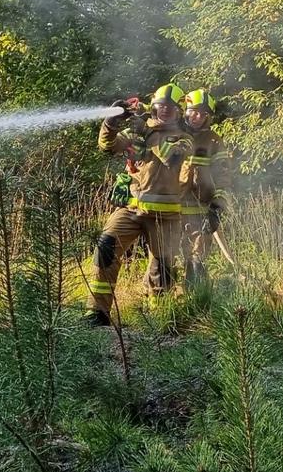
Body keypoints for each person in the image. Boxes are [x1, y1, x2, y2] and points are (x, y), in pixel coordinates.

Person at [84, 83, 192, 326]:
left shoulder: (184, 139)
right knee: (106, 248)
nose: (165, 111)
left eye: (171, 108)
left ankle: (159, 317)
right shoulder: (137, 133)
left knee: (161, 269)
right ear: (153, 108)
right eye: (160, 107)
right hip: (131, 209)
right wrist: (110, 124)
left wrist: (147, 130)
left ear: (178, 112)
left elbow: (172, 158)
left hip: (165, 217)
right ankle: (97, 312)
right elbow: (107, 147)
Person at [178, 88, 227, 284]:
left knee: (197, 258)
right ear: (185, 110)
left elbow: (223, 174)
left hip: (200, 208)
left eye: (203, 113)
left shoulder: (213, 139)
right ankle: (165, 303)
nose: (198, 116)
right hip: (170, 207)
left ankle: (197, 302)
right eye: (194, 111)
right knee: (166, 257)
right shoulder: (171, 133)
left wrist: (217, 206)